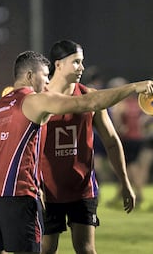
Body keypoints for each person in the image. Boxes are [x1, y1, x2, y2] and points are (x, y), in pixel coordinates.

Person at [0, 50, 153, 254]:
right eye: (44, 75)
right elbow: (87, 103)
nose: (47, 82)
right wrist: (134, 87)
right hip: (16, 193)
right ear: (29, 76)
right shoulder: (34, 100)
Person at [40, 40, 138, 254]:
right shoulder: (38, 98)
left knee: (86, 250)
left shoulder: (90, 97)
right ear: (58, 64)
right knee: (46, 250)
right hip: (46, 190)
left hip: (82, 188)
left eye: (82, 62)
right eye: (76, 62)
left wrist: (124, 181)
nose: (82, 68)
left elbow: (112, 141)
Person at [106, 77, 145, 206]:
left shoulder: (120, 104)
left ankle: (139, 193)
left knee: (128, 167)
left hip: (127, 139)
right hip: (137, 138)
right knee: (128, 167)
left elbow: (117, 123)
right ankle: (121, 193)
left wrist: (117, 130)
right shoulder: (135, 103)